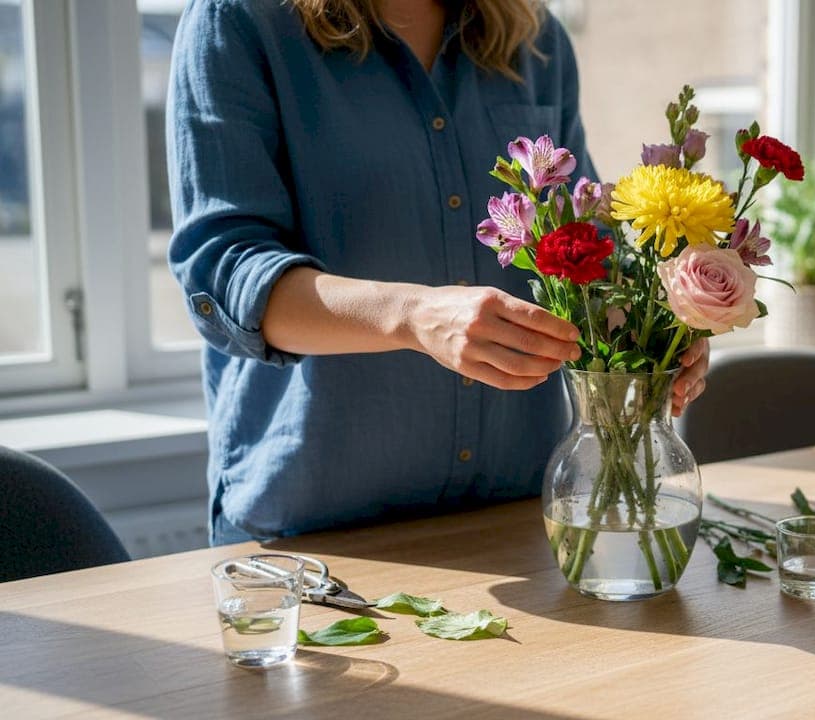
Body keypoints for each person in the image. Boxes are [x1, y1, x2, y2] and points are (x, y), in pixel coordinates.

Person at [168, 0, 710, 545]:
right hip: (310, 542)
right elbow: (225, 272)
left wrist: (655, 326)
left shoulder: (536, 38)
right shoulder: (239, 20)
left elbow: (585, 248)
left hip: (519, 524)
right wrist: (413, 315)